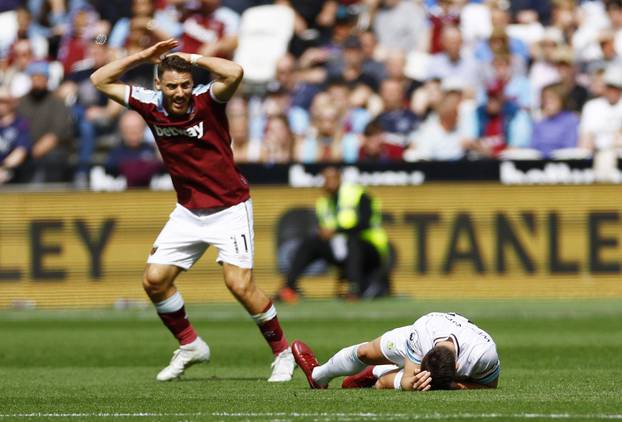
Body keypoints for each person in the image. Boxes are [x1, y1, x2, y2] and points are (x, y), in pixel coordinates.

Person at [90, 39, 295, 382]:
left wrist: (192, 58)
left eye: (185, 84)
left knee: (239, 285)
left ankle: (283, 353)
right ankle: (190, 345)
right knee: (154, 281)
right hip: (188, 211)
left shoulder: (207, 99)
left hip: (230, 206)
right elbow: (99, 79)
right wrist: (143, 55)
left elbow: (235, 71)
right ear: (158, 84)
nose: (180, 92)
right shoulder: (149, 103)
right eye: (171, 85)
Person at [292, 312, 500, 391]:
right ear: (426, 353)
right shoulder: (423, 331)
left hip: (455, 347)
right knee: (366, 352)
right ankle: (318, 376)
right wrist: (415, 377)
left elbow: (491, 385)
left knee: (385, 384)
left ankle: (375, 375)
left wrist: (454, 386)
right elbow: (411, 377)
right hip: (418, 339)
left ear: (458, 367)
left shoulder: (483, 354)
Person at [275, 166, 390, 302]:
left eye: (331, 179)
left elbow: (365, 223)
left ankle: (355, 289)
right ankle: (289, 287)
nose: (327, 182)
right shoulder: (323, 203)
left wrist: (337, 231)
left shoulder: (358, 194)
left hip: (370, 249)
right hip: (340, 248)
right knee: (311, 243)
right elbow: (325, 228)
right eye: (324, 179)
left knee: (353, 243)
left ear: (339, 178)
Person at [0, 86, 30, 184]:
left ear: (11, 103)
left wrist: (4, 167)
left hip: (11, 172)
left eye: (4, 101)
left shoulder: (20, 124)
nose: (1, 105)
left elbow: (21, 151)